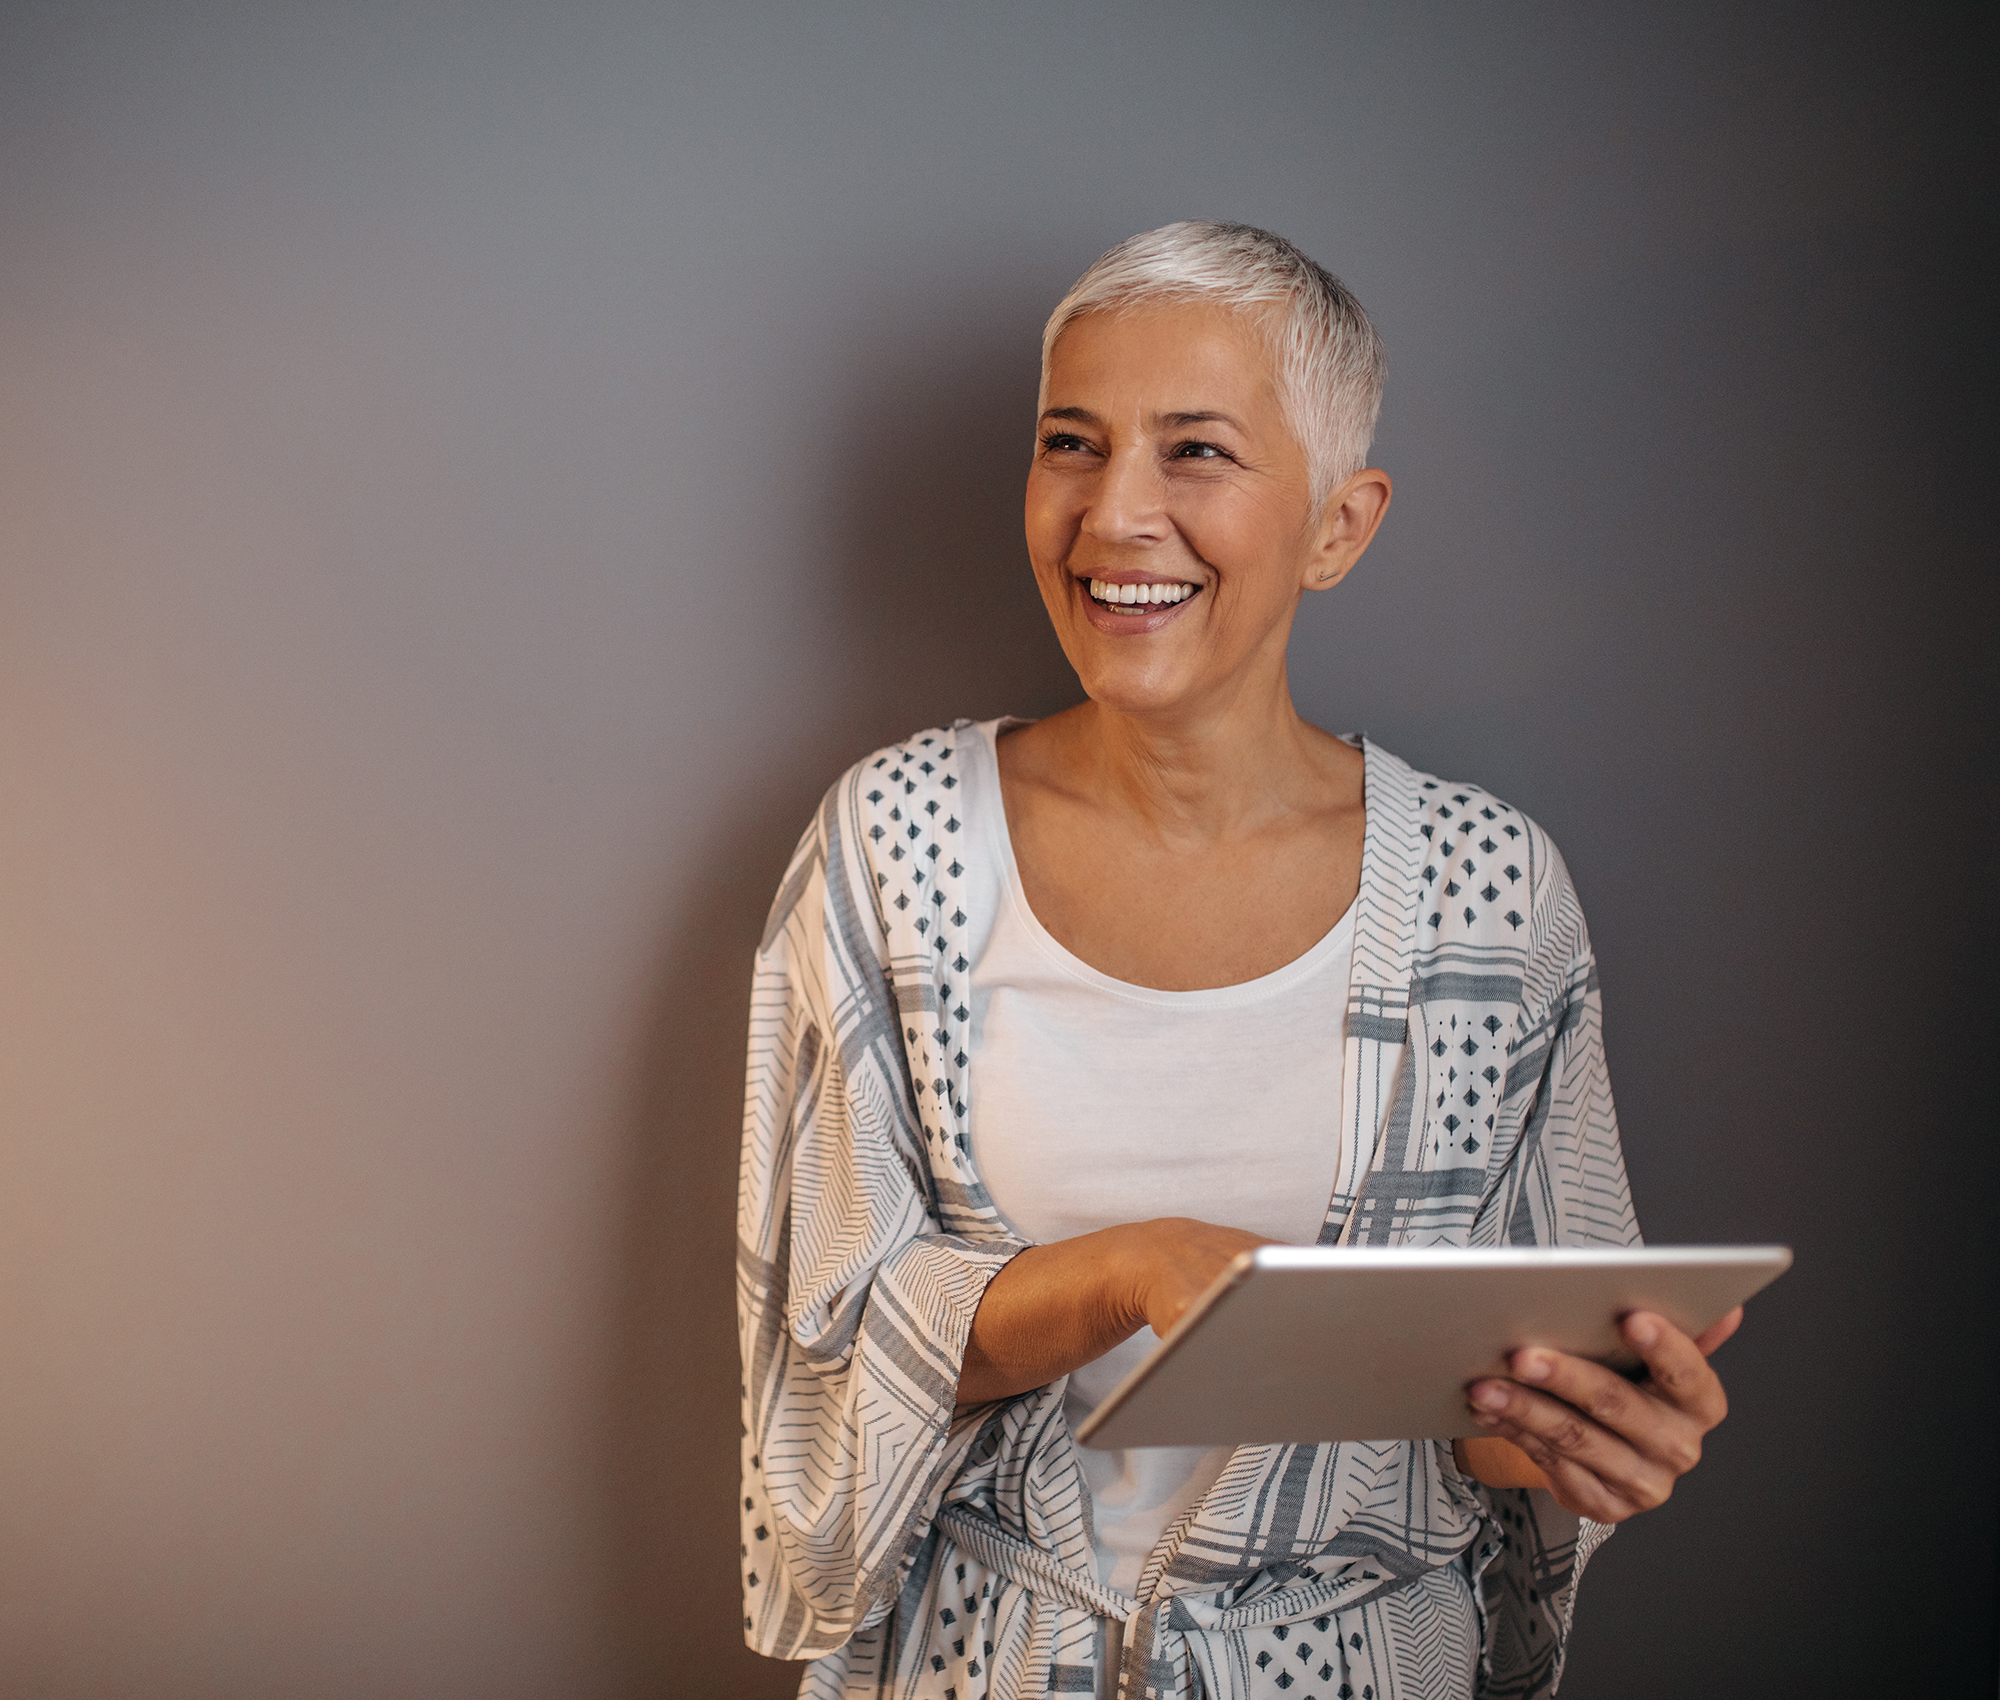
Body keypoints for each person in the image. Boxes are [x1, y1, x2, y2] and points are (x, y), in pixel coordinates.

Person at [737, 222, 1736, 1700]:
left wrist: (1583, 1432)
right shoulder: (892, 847)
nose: (1113, 514)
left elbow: (1481, 1414)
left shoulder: (1488, 893)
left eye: (1194, 451)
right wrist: (1126, 1274)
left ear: (1340, 524)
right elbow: (818, 1369)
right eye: (1071, 444)